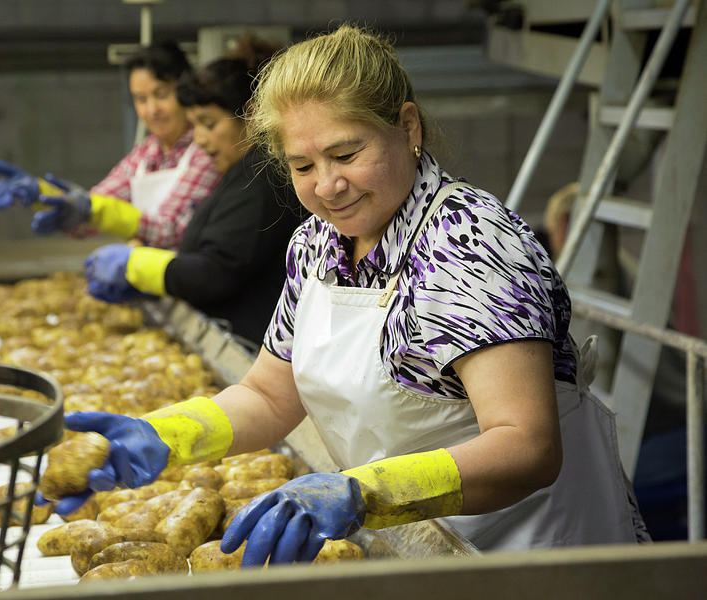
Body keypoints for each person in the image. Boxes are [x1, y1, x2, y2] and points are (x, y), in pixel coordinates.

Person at [40, 25, 647, 564]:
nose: (328, 186)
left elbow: (528, 447)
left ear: (406, 127)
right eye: (301, 166)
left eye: (346, 154)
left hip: (530, 555)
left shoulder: (466, 242)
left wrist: (363, 492)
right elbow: (269, 396)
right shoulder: (317, 244)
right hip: (416, 542)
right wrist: (164, 436)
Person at [82, 37, 302, 346]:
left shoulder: (263, 178)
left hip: (254, 341)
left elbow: (217, 271)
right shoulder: (237, 173)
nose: (198, 139)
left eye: (209, 124)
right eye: (195, 125)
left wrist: (140, 267)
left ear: (251, 116)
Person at [0, 41, 221, 249]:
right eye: (141, 99)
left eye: (161, 95)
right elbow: (96, 205)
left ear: (184, 90)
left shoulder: (206, 151)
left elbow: (170, 229)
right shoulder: (145, 154)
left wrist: (91, 211)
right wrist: (44, 196)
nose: (152, 110)